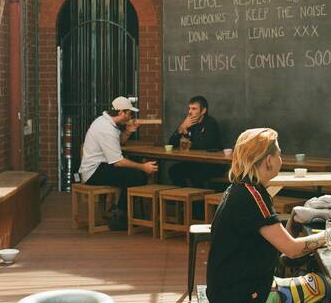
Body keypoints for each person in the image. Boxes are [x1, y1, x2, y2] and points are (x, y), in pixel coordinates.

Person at [207, 128, 331, 303]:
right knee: (328, 286)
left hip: (227, 291)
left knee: (307, 278)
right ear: (269, 160)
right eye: (279, 153)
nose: (281, 158)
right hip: (244, 300)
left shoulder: (241, 188)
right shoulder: (253, 196)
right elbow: (292, 250)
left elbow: (278, 241)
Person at [78, 96, 159, 226]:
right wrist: (143, 166)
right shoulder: (106, 128)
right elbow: (118, 162)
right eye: (129, 113)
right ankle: (120, 216)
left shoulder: (105, 122)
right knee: (137, 176)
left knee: (133, 175)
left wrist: (127, 132)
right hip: (94, 171)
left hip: (100, 166)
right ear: (121, 112)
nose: (130, 116)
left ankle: (120, 212)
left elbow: (118, 143)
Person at [168, 95, 224, 188]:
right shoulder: (188, 123)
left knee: (195, 174)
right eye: (189, 108)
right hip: (194, 162)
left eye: (194, 109)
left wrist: (189, 143)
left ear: (203, 111)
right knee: (173, 171)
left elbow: (205, 145)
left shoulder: (210, 123)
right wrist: (181, 128)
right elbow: (171, 144)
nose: (190, 112)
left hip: (211, 164)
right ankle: (186, 198)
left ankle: (197, 201)